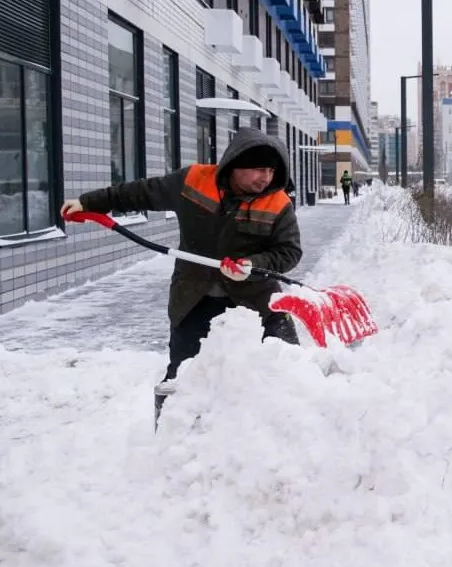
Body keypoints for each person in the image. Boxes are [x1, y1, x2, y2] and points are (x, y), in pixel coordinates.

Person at [60, 128, 303, 400]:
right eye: (259, 170)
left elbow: (289, 251)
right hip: (194, 298)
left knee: (286, 374)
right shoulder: (194, 181)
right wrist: (88, 203)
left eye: (271, 171)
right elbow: (141, 192)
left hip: (257, 301)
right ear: (237, 164)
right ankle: (176, 438)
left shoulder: (278, 202)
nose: (266, 178)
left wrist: (253, 264)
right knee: (183, 381)